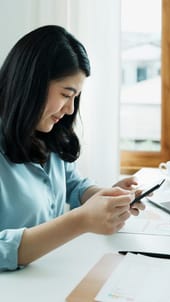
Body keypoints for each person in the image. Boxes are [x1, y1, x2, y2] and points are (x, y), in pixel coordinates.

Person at [0, 25, 146, 271]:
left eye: (75, 97)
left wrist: (108, 196)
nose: (70, 109)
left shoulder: (48, 134)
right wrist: (79, 221)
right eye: (66, 94)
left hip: (47, 276)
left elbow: (72, 184)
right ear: (31, 84)